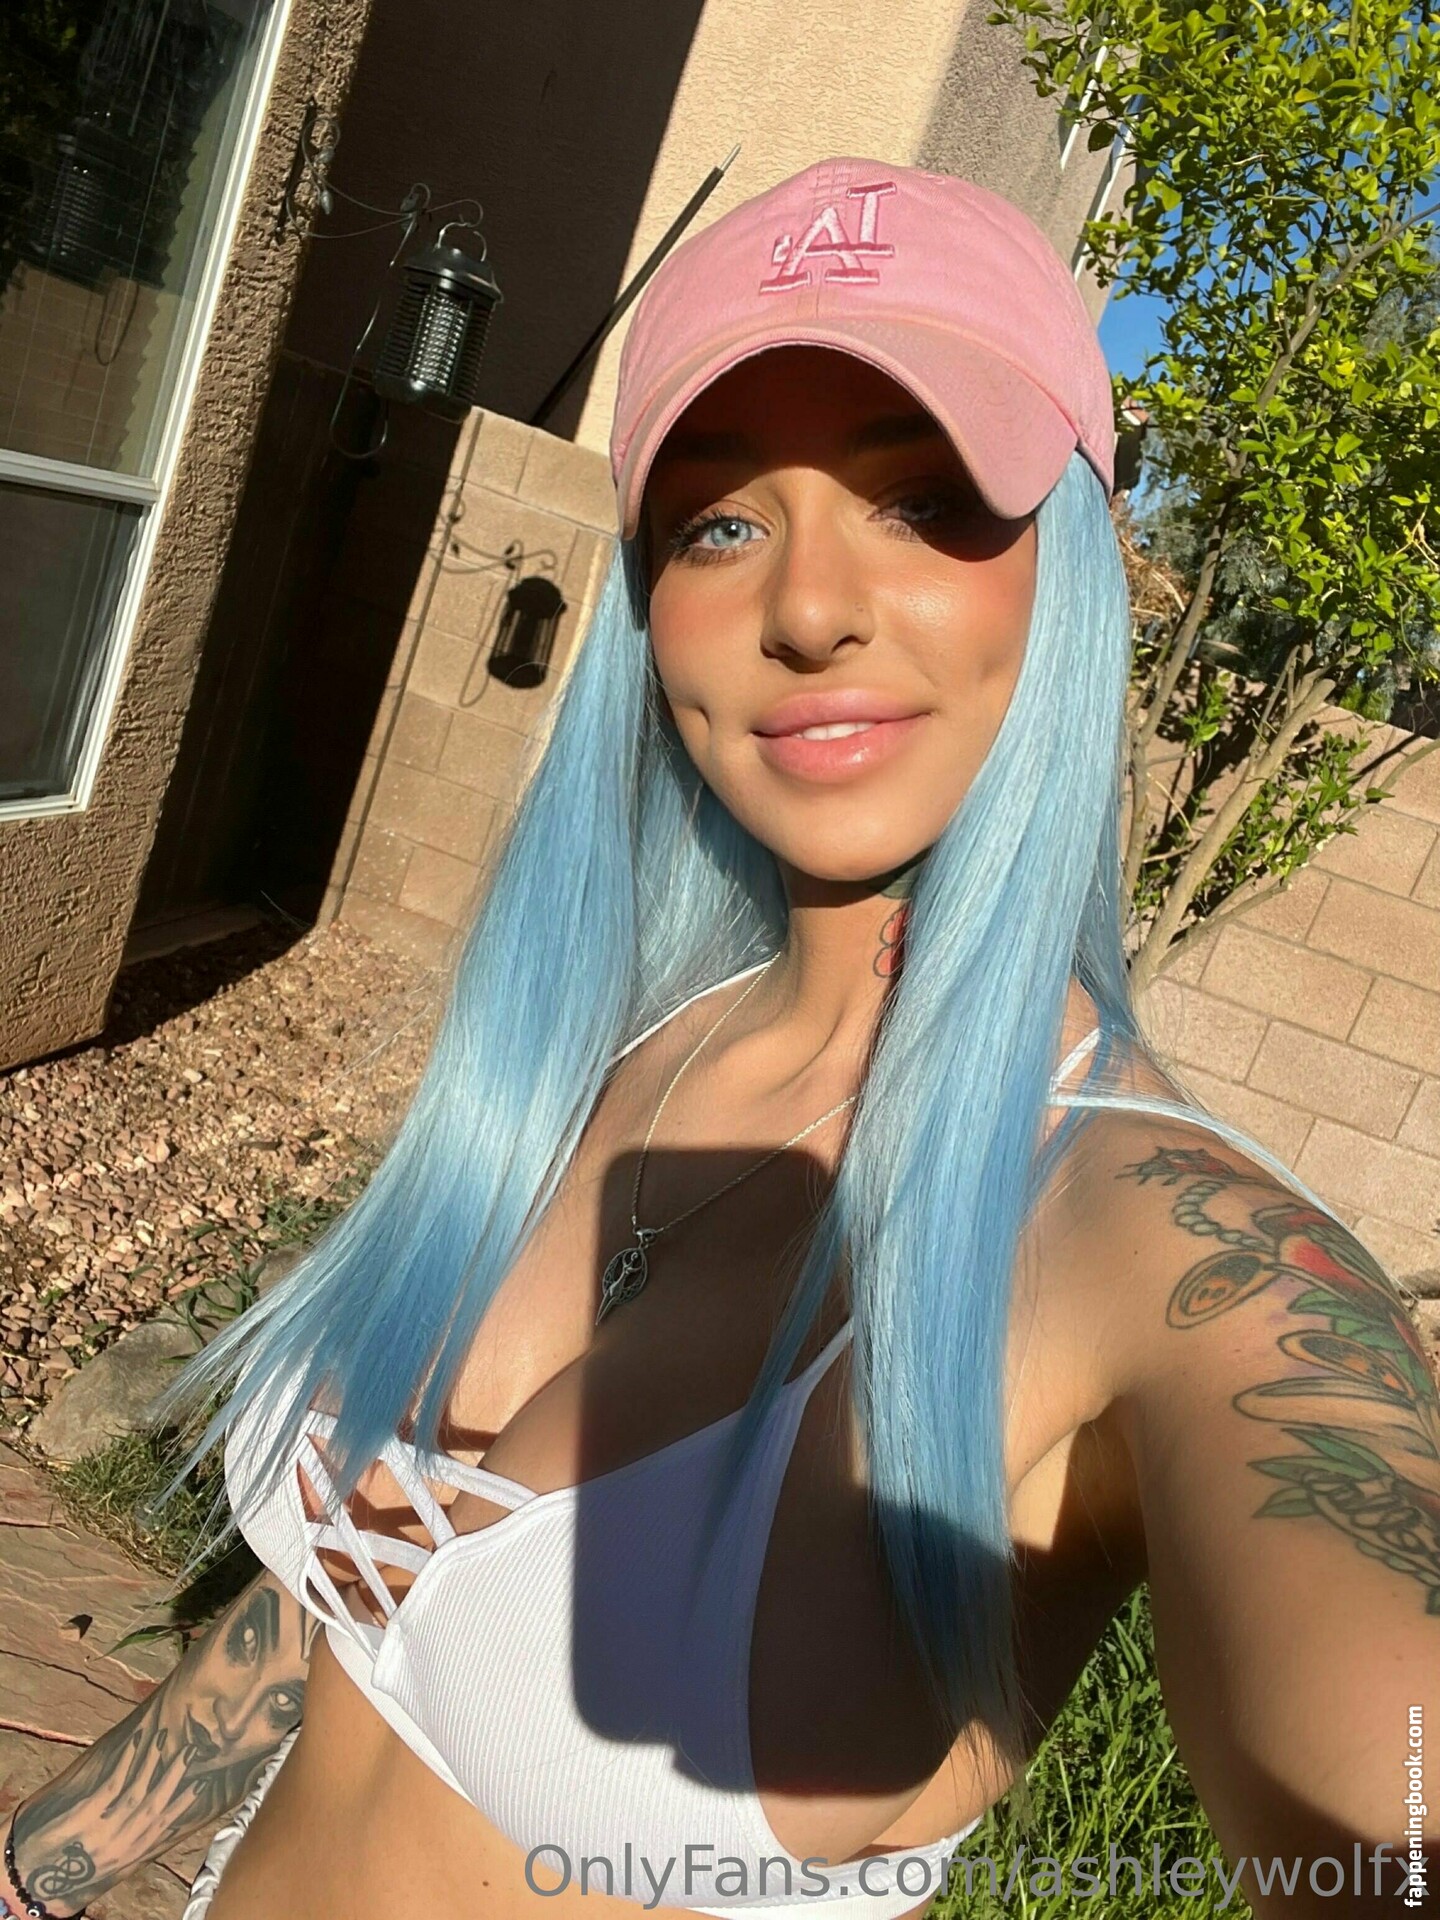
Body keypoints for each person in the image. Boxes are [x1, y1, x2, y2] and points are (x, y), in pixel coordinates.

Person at [3, 157, 1435, 1920]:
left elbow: (1388, 1762)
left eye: (921, 500)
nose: (809, 607)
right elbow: (334, 1608)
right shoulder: (621, 1044)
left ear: (1075, 570)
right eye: (719, 523)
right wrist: (41, 1872)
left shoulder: (1172, 1255)